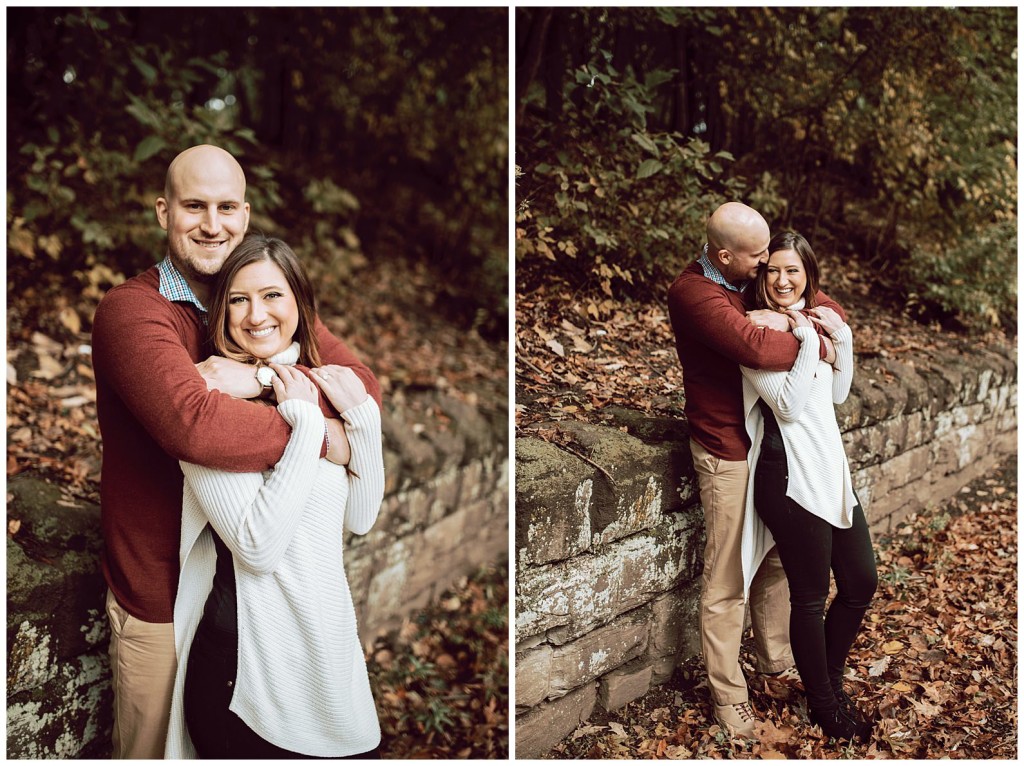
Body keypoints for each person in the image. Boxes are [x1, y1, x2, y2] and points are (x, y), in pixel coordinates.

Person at [92, 144, 380, 759]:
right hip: (162, 591)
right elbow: (192, 426)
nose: (211, 224)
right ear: (163, 211)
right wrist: (319, 432)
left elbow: (360, 384)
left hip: (255, 598)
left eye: (226, 207)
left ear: (245, 217)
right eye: (194, 206)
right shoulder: (131, 313)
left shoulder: (255, 295)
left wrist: (265, 386)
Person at [163, 235, 384, 758]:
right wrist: (308, 425)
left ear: (300, 303)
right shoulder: (208, 398)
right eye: (238, 299)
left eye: (272, 295)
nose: (256, 314)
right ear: (221, 311)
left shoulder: (323, 385)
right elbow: (258, 550)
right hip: (247, 664)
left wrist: (363, 423)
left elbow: (361, 517)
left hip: (329, 652)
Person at [666, 202, 845, 738]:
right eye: (759, 256)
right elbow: (755, 348)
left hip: (771, 446)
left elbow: (821, 297)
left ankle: (774, 663)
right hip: (726, 449)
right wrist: (818, 341)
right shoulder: (695, 293)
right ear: (726, 256)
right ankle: (728, 696)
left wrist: (802, 318)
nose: (768, 265)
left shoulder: (745, 279)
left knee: (775, 563)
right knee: (727, 577)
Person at [740, 232, 876, 742]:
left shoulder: (814, 321)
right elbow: (790, 405)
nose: (781, 280)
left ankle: (829, 681)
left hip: (828, 467)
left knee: (861, 582)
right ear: (761, 274)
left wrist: (838, 337)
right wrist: (801, 338)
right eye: (773, 270)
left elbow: (838, 393)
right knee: (810, 597)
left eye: (792, 271)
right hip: (786, 473)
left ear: (808, 274)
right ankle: (822, 704)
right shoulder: (756, 331)